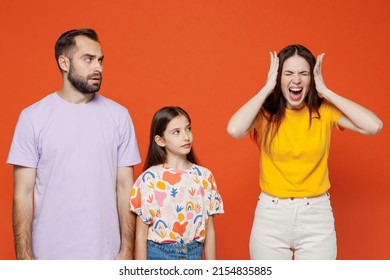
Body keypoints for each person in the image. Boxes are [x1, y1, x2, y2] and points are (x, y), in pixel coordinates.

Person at [227, 44, 383, 260]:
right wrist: (266, 88)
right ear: (278, 78)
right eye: (288, 73)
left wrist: (326, 91)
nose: (296, 80)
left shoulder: (324, 111)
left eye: (304, 73)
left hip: (316, 216)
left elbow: (373, 126)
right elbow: (234, 129)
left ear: (312, 79)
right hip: (271, 215)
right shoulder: (265, 115)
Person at [7, 28, 141, 260]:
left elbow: (125, 189)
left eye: (100, 60)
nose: (97, 67)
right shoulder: (33, 117)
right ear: (64, 62)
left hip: (106, 256)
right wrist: (24, 258)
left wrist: (126, 251)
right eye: (88, 59)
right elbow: (22, 193)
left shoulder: (119, 116)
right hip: (49, 256)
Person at [130, 106, 224, 260]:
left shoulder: (204, 177)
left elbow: (209, 229)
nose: (186, 137)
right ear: (160, 140)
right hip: (158, 255)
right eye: (176, 132)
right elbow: (141, 234)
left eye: (188, 129)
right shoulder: (149, 179)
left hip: (194, 253)